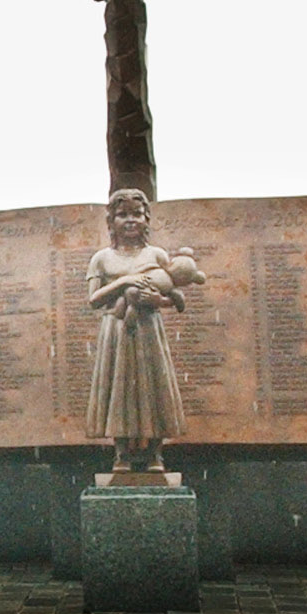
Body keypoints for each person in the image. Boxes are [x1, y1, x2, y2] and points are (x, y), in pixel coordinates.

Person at [85, 187, 187, 471]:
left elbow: (176, 295)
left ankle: (155, 453)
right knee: (118, 386)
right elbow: (94, 299)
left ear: (146, 219)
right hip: (116, 330)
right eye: (122, 215)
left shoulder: (156, 254)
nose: (130, 220)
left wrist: (157, 300)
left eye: (137, 214)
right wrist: (123, 282)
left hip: (148, 327)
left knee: (152, 385)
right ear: (111, 222)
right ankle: (121, 453)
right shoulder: (102, 258)